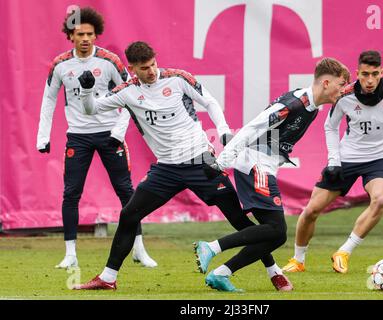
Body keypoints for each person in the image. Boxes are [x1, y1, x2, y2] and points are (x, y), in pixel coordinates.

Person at [72, 41, 288, 291]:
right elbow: (90, 110)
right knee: (129, 214)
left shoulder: (177, 79)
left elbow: (211, 102)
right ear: (132, 68)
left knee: (238, 220)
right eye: (144, 68)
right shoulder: (126, 91)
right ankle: (108, 278)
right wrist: (86, 90)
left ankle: (275, 272)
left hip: (201, 162)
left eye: (153, 64)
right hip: (166, 169)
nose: (151, 71)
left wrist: (224, 132)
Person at [195, 58, 350, 292]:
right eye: (341, 84)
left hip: (264, 165)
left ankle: (223, 273)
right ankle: (213, 248)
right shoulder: (294, 103)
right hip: (256, 164)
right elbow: (252, 128)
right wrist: (222, 162)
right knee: (276, 230)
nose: (343, 89)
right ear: (326, 82)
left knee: (274, 233)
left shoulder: (313, 107)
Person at [283, 50, 383, 274]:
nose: (369, 80)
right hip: (347, 158)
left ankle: (344, 252)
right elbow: (330, 126)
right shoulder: (345, 95)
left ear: (382, 72)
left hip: (380, 160)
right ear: (357, 73)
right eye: (364, 74)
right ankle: (298, 260)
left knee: (380, 200)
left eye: (374, 74)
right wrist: (334, 160)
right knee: (312, 210)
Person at [36, 7, 156, 269]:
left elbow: (132, 96)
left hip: (109, 135)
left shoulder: (109, 61)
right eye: (79, 33)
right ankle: (70, 254)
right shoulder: (60, 65)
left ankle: (139, 249)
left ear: (96, 34)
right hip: (78, 137)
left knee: (127, 192)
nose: (85, 38)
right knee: (71, 193)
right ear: (70, 36)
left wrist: (118, 131)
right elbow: (49, 99)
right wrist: (42, 136)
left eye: (90, 33)